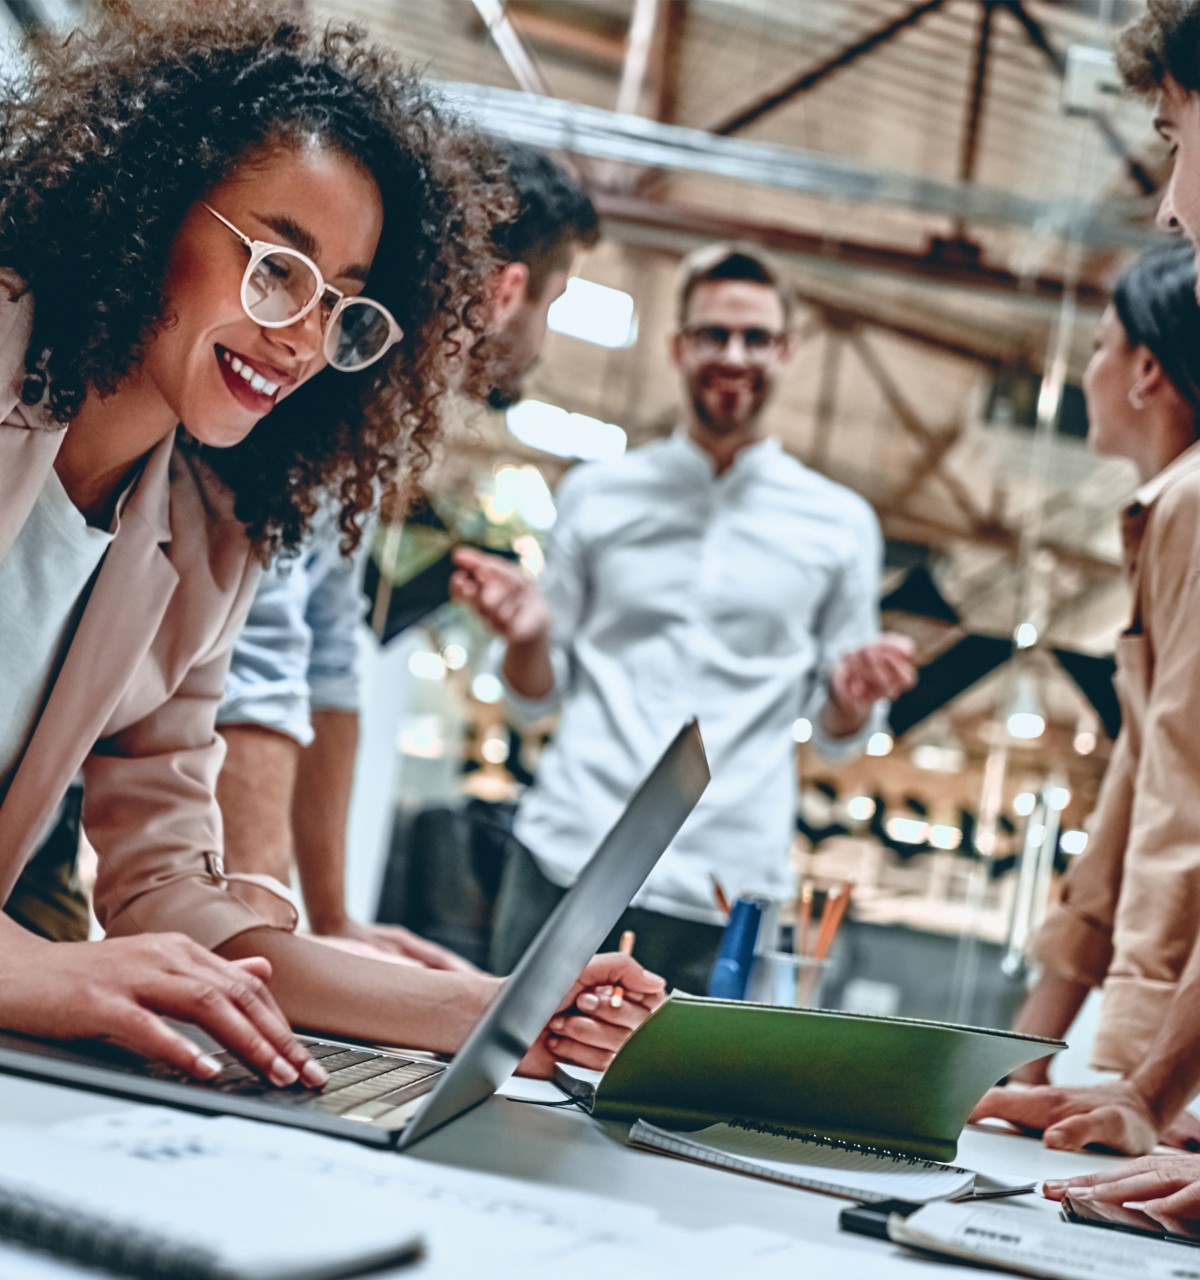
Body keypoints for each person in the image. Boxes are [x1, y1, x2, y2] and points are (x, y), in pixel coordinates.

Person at [0, 0, 661, 1087]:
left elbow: (171, 893)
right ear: (153, 209)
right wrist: (42, 968)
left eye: (343, 306)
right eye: (277, 268)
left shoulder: (209, 536)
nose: (303, 338)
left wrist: (500, 1008)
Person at [452, 242, 916, 993]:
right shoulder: (598, 495)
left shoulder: (841, 524)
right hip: (571, 856)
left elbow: (840, 739)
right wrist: (531, 637)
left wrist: (851, 696)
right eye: (713, 334)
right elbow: (534, 693)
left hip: (727, 885)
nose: (734, 355)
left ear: (787, 352)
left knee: (683, 1110)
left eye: (756, 337)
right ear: (677, 346)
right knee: (509, 1088)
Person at [213, 144, 600, 967]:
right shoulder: (327, 382)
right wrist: (270, 945)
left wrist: (330, 919)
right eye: (555, 301)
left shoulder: (381, 419)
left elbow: (326, 658)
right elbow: (263, 654)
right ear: (507, 291)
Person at [972, 240, 1200, 1153]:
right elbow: (1135, 792)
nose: (1091, 369)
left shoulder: (1190, 505)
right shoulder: (1164, 510)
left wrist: (1147, 1085)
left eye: (1102, 345)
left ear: (1147, 368)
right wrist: (1028, 1048)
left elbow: (1184, 800)